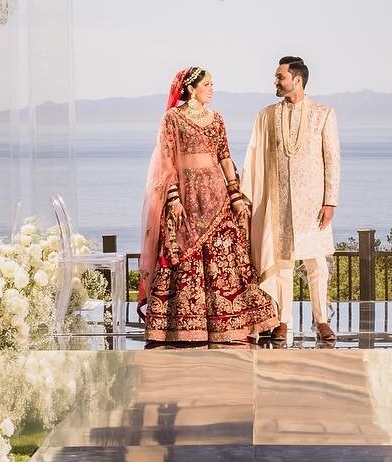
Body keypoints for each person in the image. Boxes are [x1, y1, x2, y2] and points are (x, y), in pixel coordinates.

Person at [138, 66, 280, 346]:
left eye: (213, 84)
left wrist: (236, 195)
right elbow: (167, 160)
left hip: (217, 197)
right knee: (183, 260)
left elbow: (225, 157)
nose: (212, 89)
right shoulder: (172, 119)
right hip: (186, 199)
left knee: (224, 258)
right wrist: (174, 198)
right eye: (207, 84)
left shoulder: (216, 119)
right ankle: (183, 326)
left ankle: (227, 323)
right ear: (191, 88)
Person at [242, 55, 341, 347]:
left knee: (316, 265)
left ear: (297, 80)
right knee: (282, 264)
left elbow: (332, 160)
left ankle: (321, 320)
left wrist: (330, 201)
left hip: (314, 204)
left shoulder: (323, 113)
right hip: (280, 202)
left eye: (280, 77)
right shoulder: (268, 116)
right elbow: (253, 154)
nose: (275, 81)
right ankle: (282, 321)